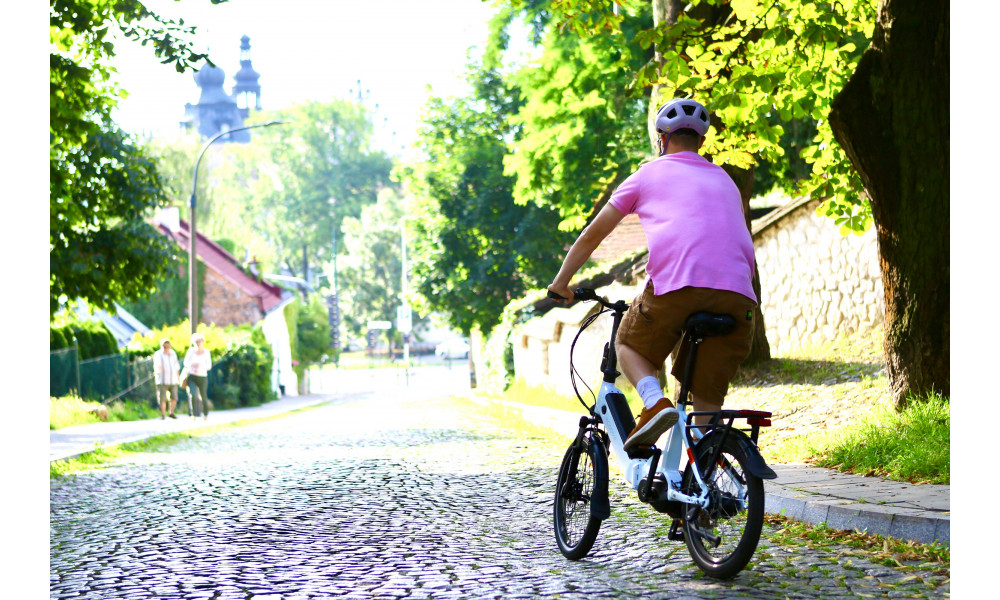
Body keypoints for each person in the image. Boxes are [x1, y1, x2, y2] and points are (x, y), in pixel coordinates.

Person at [547, 98, 757, 453]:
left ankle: (653, 400)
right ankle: (701, 491)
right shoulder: (724, 178)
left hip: (678, 285)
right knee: (706, 402)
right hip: (739, 296)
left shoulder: (647, 174)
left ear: (662, 138)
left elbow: (593, 235)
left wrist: (561, 282)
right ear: (701, 143)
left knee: (627, 344)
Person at [183, 332, 213, 420]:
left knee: (203, 395)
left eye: (200, 341)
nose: (198, 343)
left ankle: (206, 413)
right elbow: (186, 363)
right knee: (193, 394)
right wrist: (192, 365)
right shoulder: (191, 351)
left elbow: (209, 366)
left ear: (203, 342)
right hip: (192, 376)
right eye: (196, 341)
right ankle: (194, 414)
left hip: (202, 376)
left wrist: (200, 366)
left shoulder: (206, 352)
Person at [153, 338, 181, 420]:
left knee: (174, 397)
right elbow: (156, 366)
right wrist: (158, 371)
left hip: (173, 379)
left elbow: (176, 366)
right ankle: (163, 414)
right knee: (162, 398)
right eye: (164, 347)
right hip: (162, 380)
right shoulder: (158, 354)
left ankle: (171, 412)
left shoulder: (173, 354)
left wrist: (178, 377)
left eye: (167, 346)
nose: (166, 348)